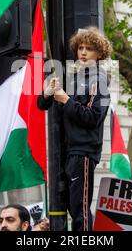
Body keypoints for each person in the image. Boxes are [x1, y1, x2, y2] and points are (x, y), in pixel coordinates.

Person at [37, 27, 112, 231]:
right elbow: (42, 105)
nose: (83, 52)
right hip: (69, 150)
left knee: (80, 210)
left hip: (84, 151)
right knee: (73, 207)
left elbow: (93, 117)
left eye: (89, 48)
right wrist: (47, 93)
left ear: (99, 54)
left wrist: (66, 100)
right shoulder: (74, 78)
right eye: (80, 48)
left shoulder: (99, 79)